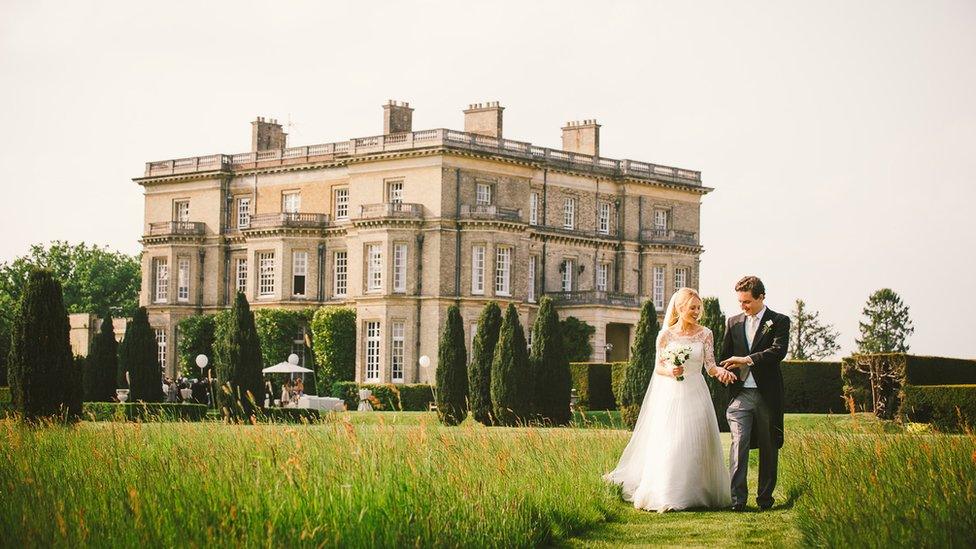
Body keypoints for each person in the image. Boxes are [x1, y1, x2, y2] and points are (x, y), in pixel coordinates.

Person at [605, 288, 736, 512]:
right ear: (680, 308)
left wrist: (722, 373)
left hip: (697, 391)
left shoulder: (705, 333)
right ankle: (669, 493)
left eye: (698, 308)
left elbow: (710, 366)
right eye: (692, 308)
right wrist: (671, 371)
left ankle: (700, 492)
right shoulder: (665, 335)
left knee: (696, 439)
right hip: (672, 395)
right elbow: (658, 368)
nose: (696, 312)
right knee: (673, 440)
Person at [719, 276, 790, 512]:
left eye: (747, 302)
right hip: (740, 396)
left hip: (766, 396)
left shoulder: (779, 321)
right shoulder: (733, 322)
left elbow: (777, 352)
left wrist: (747, 360)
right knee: (738, 445)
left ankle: (765, 500)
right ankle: (738, 501)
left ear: (761, 297)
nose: (743, 306)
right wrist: (725, 373)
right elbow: (724, 358)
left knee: (769, 448)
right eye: (740, 301)